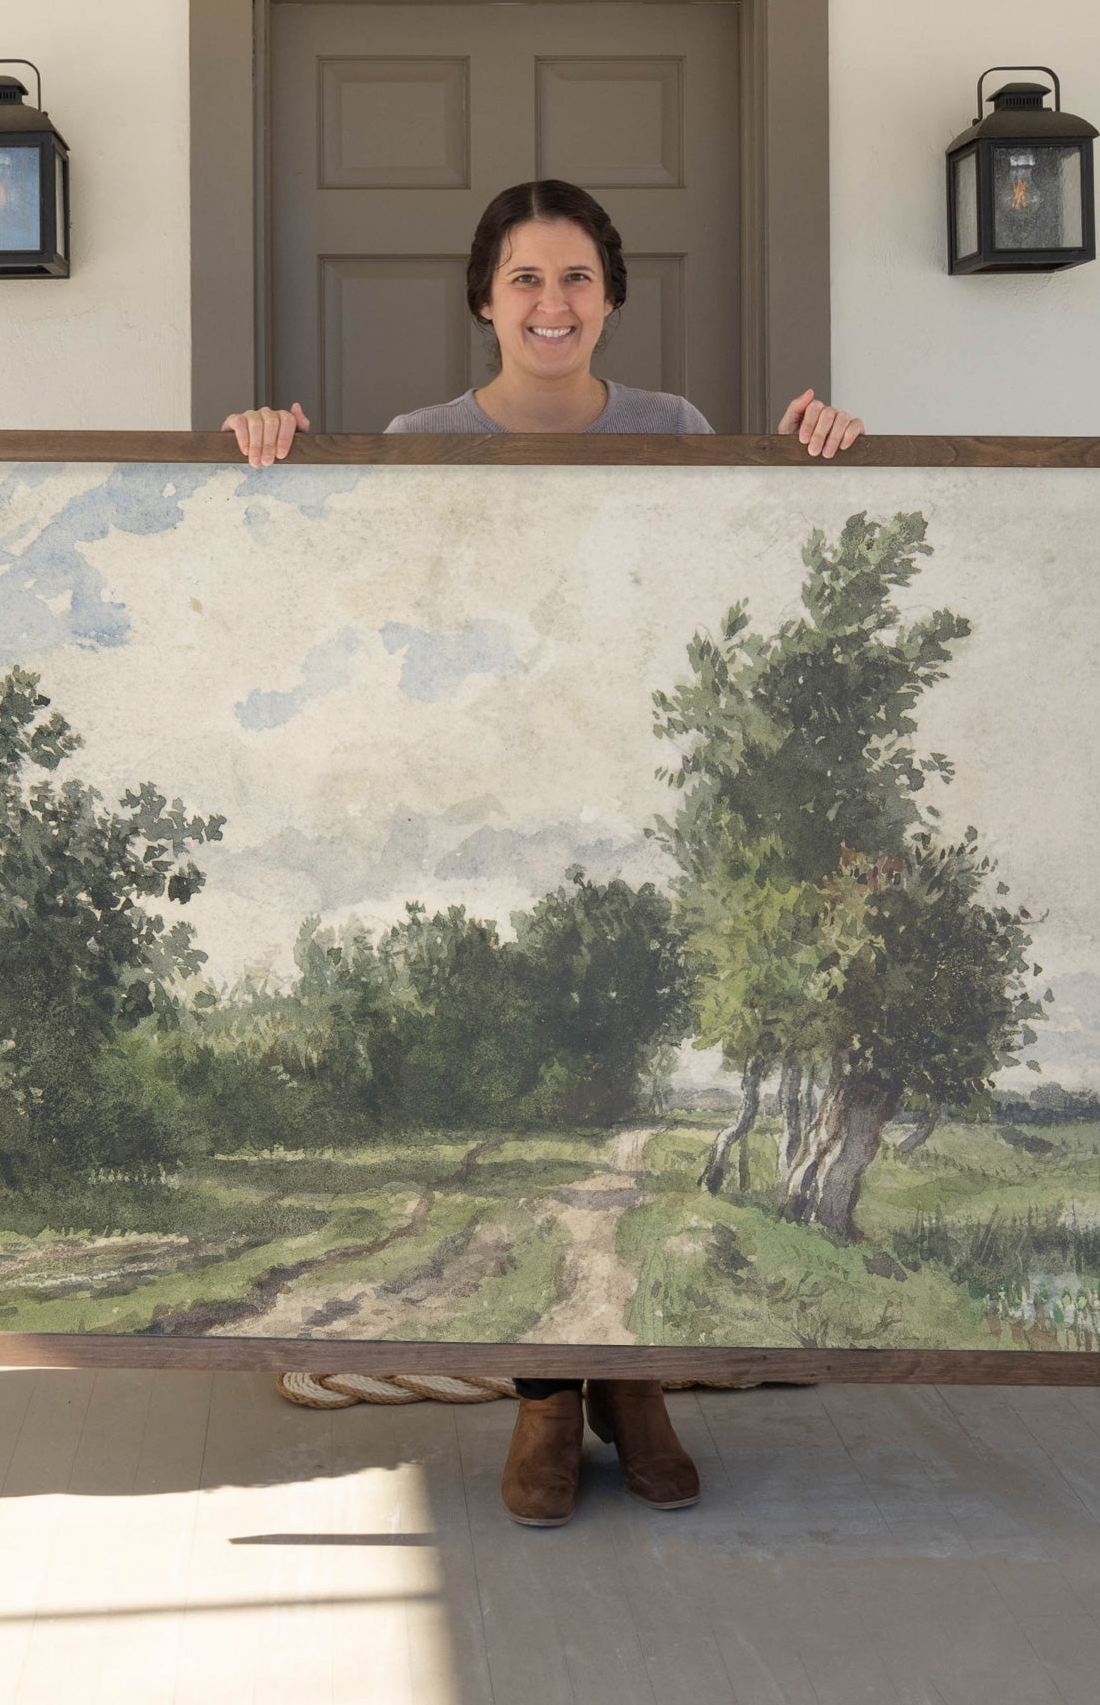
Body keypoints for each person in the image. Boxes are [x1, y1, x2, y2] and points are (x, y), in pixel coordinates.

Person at [224, 178, 864, 1528]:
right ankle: (545, 1397)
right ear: (483, 299)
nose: (552, 303)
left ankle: (636, 1385)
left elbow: (737, 572)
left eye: (575, 277)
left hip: (646, 785)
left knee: (642, 1059)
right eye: (525, 278)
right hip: (492, 793)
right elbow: (370, 593)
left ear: (613, 297)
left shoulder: (677, 431)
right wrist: (277, 453)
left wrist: (814, 454)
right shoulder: (416, 440)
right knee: (544, 1092)